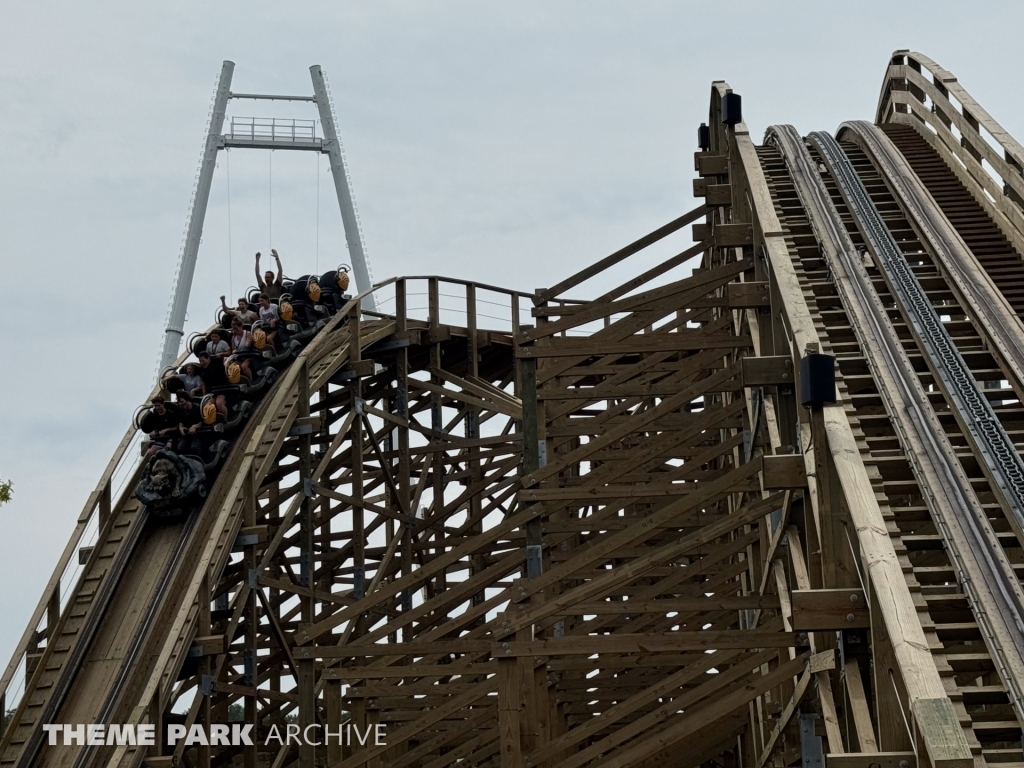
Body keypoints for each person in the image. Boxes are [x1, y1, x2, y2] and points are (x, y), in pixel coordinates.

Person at [196, 351, 229, 419]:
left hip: (223, 388)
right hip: (212, 391)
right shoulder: (201, 370)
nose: (201, 363)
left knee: (219, 403)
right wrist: (204, 394)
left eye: (203, 360)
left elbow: (226, 359)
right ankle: (215, 420)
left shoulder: (216, 362)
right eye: (200, 361)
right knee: (208, 406)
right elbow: (203, 383)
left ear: (208, 358)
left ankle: (226, 419)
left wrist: (225, 361)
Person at [174, 392, 203, 457]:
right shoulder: (180, 409)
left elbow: (202, 421)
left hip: (198, 433)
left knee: (194, 447)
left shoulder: (197, 407)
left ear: (187, 399)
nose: (180, 404)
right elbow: (180, 421)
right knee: (180, 447)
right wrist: (181, 428)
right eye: (179, 402)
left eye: (182, 401)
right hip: (187, 433)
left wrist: (195, 426)